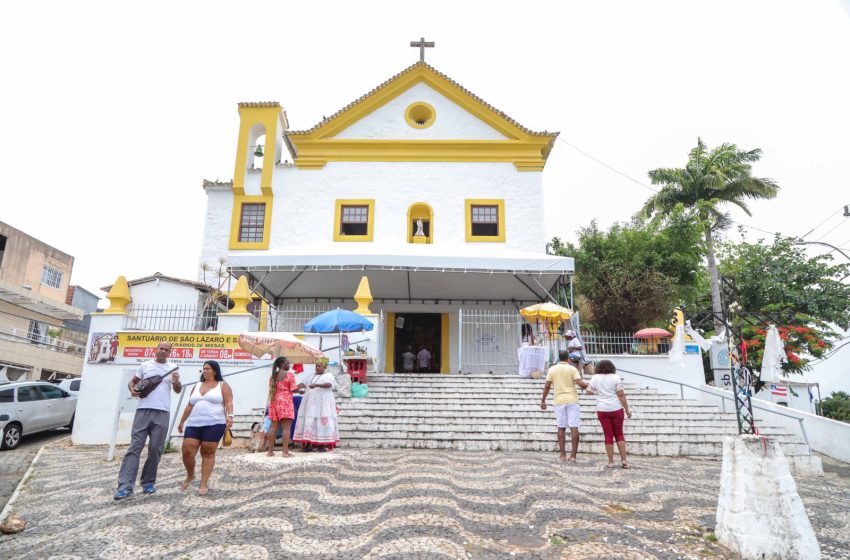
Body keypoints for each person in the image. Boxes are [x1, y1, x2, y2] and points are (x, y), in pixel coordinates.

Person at [114, 341, 182, 500]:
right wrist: (132, 389)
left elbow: (178, 390)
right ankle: (125, 486)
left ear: (170, 352)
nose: (163, 351)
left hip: (162, 412)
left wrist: (177, 381)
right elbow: (133, 382)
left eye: (166, 350)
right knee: (134, 447)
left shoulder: (173, 368)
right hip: (143, 411)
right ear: (155, 349)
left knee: (156, 449)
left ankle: (148, 482)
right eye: (161, 349)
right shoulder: (145, 366)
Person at [177, 360, 234, 495]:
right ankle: (190, 475)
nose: (205, 371)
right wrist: (181, 422)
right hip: (194, 424)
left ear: (215, 371)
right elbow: (190, 405)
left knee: (208, 453)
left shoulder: (222, 385)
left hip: (215, 423)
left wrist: (230, 416)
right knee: (187, 452)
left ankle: (204, 482)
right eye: (204, 368)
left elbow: (229, 401)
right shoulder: (197, 385)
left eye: (208, 368)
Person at [540, 349, 589, 462]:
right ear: (568, 358)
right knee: (574, 427)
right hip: (572, 400)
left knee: (561, 427)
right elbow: (581, 384)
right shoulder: (572, 369)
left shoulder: (552, 369)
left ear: (559, 358)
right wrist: (590, 386)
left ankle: (562, 455)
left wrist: (543, 400)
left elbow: (547, 386)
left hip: (559, 401)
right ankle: (573, 456)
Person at [587, 359, 632, 468]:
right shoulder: (615, 377)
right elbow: (621, 395)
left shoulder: (595, 378)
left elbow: (588, 390)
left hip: (602, 410)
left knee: (608, 435)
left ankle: (611, 462)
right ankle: (624, 460)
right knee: (619, 434)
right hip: (616, 409)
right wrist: (627, 409)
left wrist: (594, 392)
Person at [293, 357, 339, 451]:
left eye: (319, 366)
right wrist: (294, 387)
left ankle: (321, 445)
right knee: (309, 421)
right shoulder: (311, 375)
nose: (317, 368)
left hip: (323, 404)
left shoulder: (329, 375)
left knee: (321, 422)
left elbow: (329, 385)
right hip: (310, 404)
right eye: (316, 366)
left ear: (324, 367)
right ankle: (307, 445)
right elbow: (303, 383)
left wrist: (316, 385)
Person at [266, 357, 299, 457]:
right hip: (285, 401)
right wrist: (300, 390)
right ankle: (285, 452)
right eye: (287, 363)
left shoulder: (273, 376)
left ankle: (270, 451)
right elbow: (293, 389)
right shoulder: (290, 375)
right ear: (282, 364)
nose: (289, 365)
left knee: (273, 427)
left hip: (274, 401)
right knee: (286, 429)